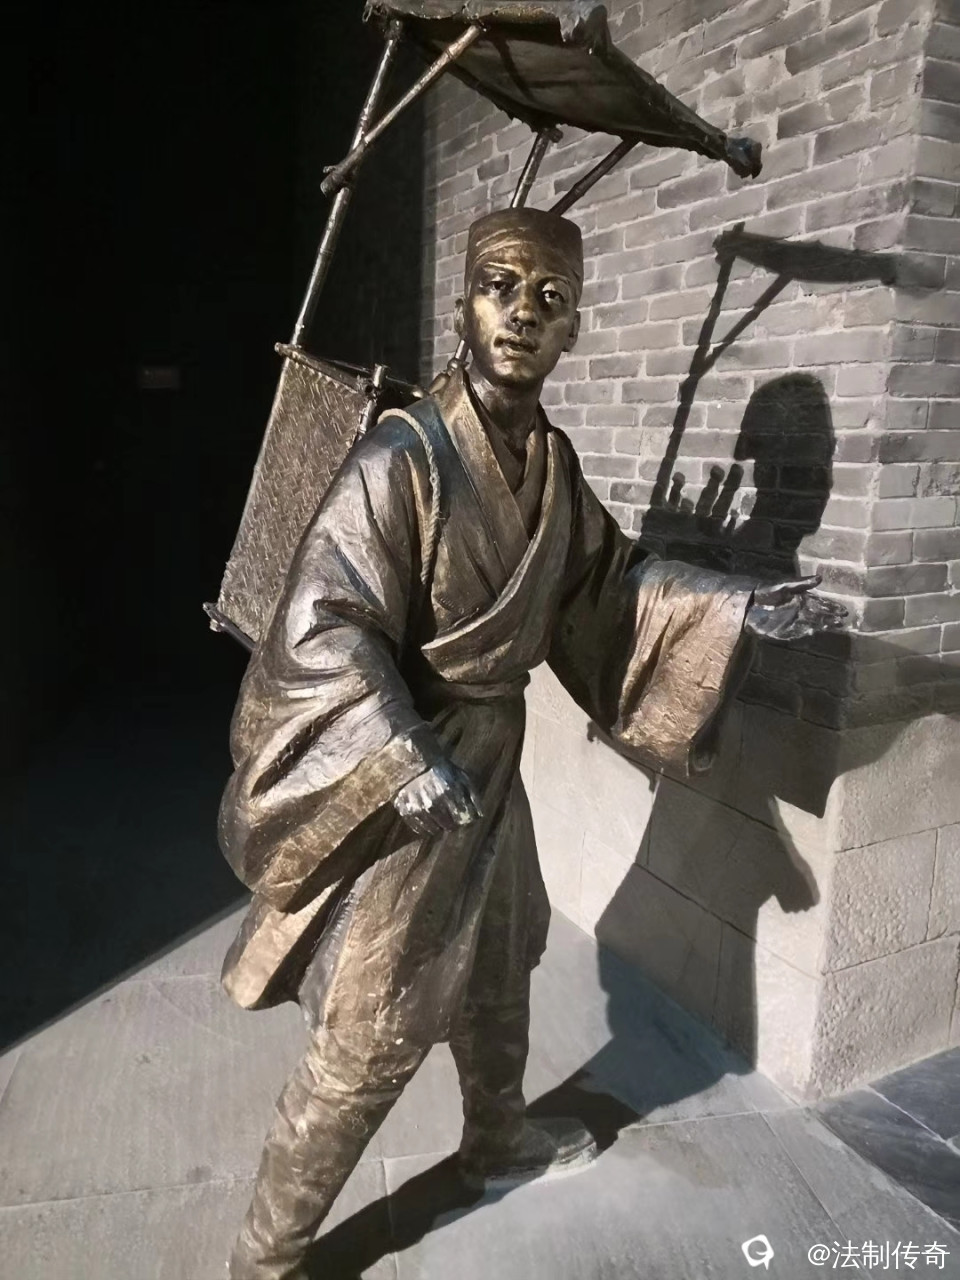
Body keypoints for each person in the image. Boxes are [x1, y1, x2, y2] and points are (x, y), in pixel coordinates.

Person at [218, 208, 845, 1279]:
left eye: (550, 298)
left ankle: (496, 1138)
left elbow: (610, 587)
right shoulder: (402, 457)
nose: (522, 313)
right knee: (372, 1027)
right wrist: (400, 751)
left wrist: (736, 607)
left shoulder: (551, 464)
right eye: (500, 285)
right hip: (412, 764)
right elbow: (324, 619)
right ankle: (265, 1258)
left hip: (490, 765)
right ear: (464, 304)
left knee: (503, 958)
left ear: (574, 329)